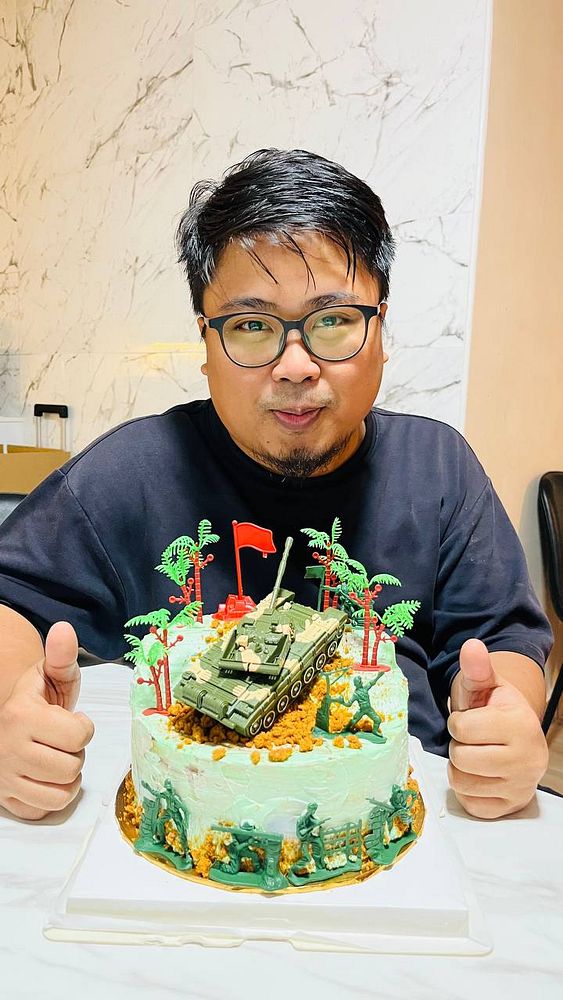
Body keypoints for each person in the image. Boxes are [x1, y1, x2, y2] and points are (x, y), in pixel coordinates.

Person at [0, 149, 552, 824]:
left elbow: (502, 643)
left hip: (406, 824)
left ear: (380, 329)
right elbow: (14, 601)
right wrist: (11, 712)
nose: (295, 365)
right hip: (183, 829)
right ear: (205, 343)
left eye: (332, 320)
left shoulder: (437, 466)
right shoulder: (132, 470)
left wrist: (507, 720)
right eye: (252, 326)